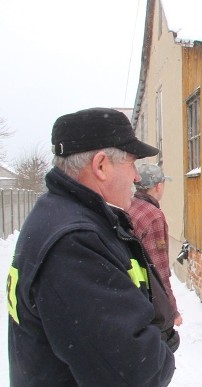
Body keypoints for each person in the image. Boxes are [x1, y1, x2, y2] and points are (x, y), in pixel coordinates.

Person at [6, 108, 176, 386]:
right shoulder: (74, 243)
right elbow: (134, 372)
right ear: (100, 165)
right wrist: (163, 347)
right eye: (131, 163)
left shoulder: (57, 214)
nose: (136, 177)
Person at [129, 164, 183, 327]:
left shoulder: (130, 205)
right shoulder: (152, 216)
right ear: (158, 186)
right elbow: (158, 269)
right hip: (149, 302)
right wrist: (171, 310)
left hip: (132, 294)